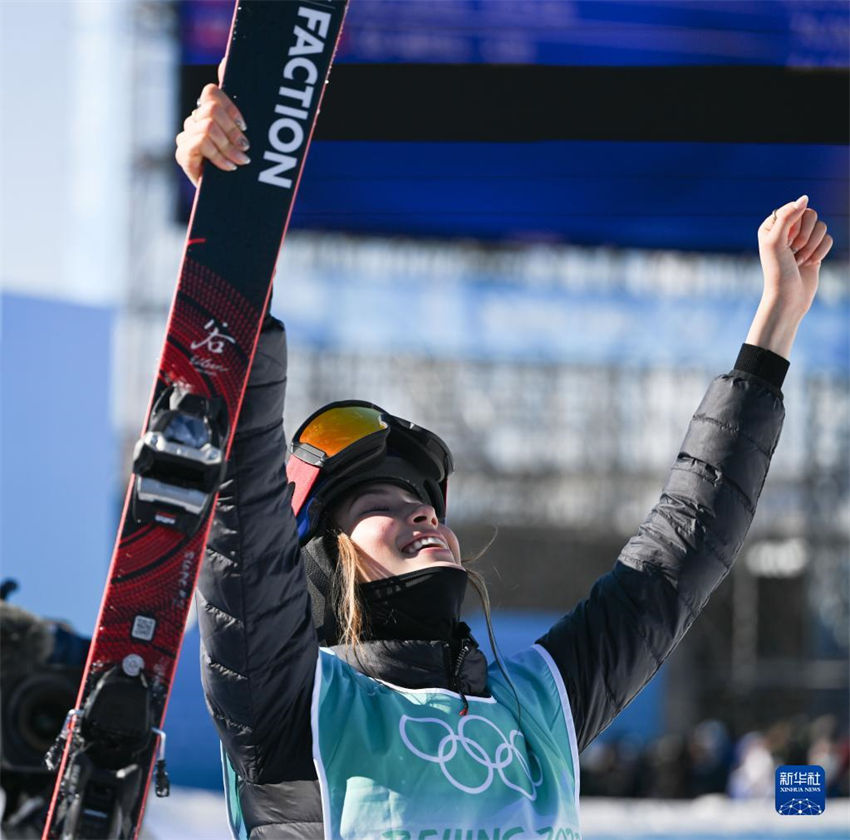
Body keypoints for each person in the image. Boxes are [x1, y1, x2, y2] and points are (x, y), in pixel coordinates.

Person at [176, 84, 834, 839]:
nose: (423, 511)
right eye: (379, 504)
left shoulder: (538, 705)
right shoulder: (295, 702)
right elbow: (247, 516)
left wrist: (776, 322)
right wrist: (232, 236)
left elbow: (680, 554)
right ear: (325, 559)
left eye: (421, 500)